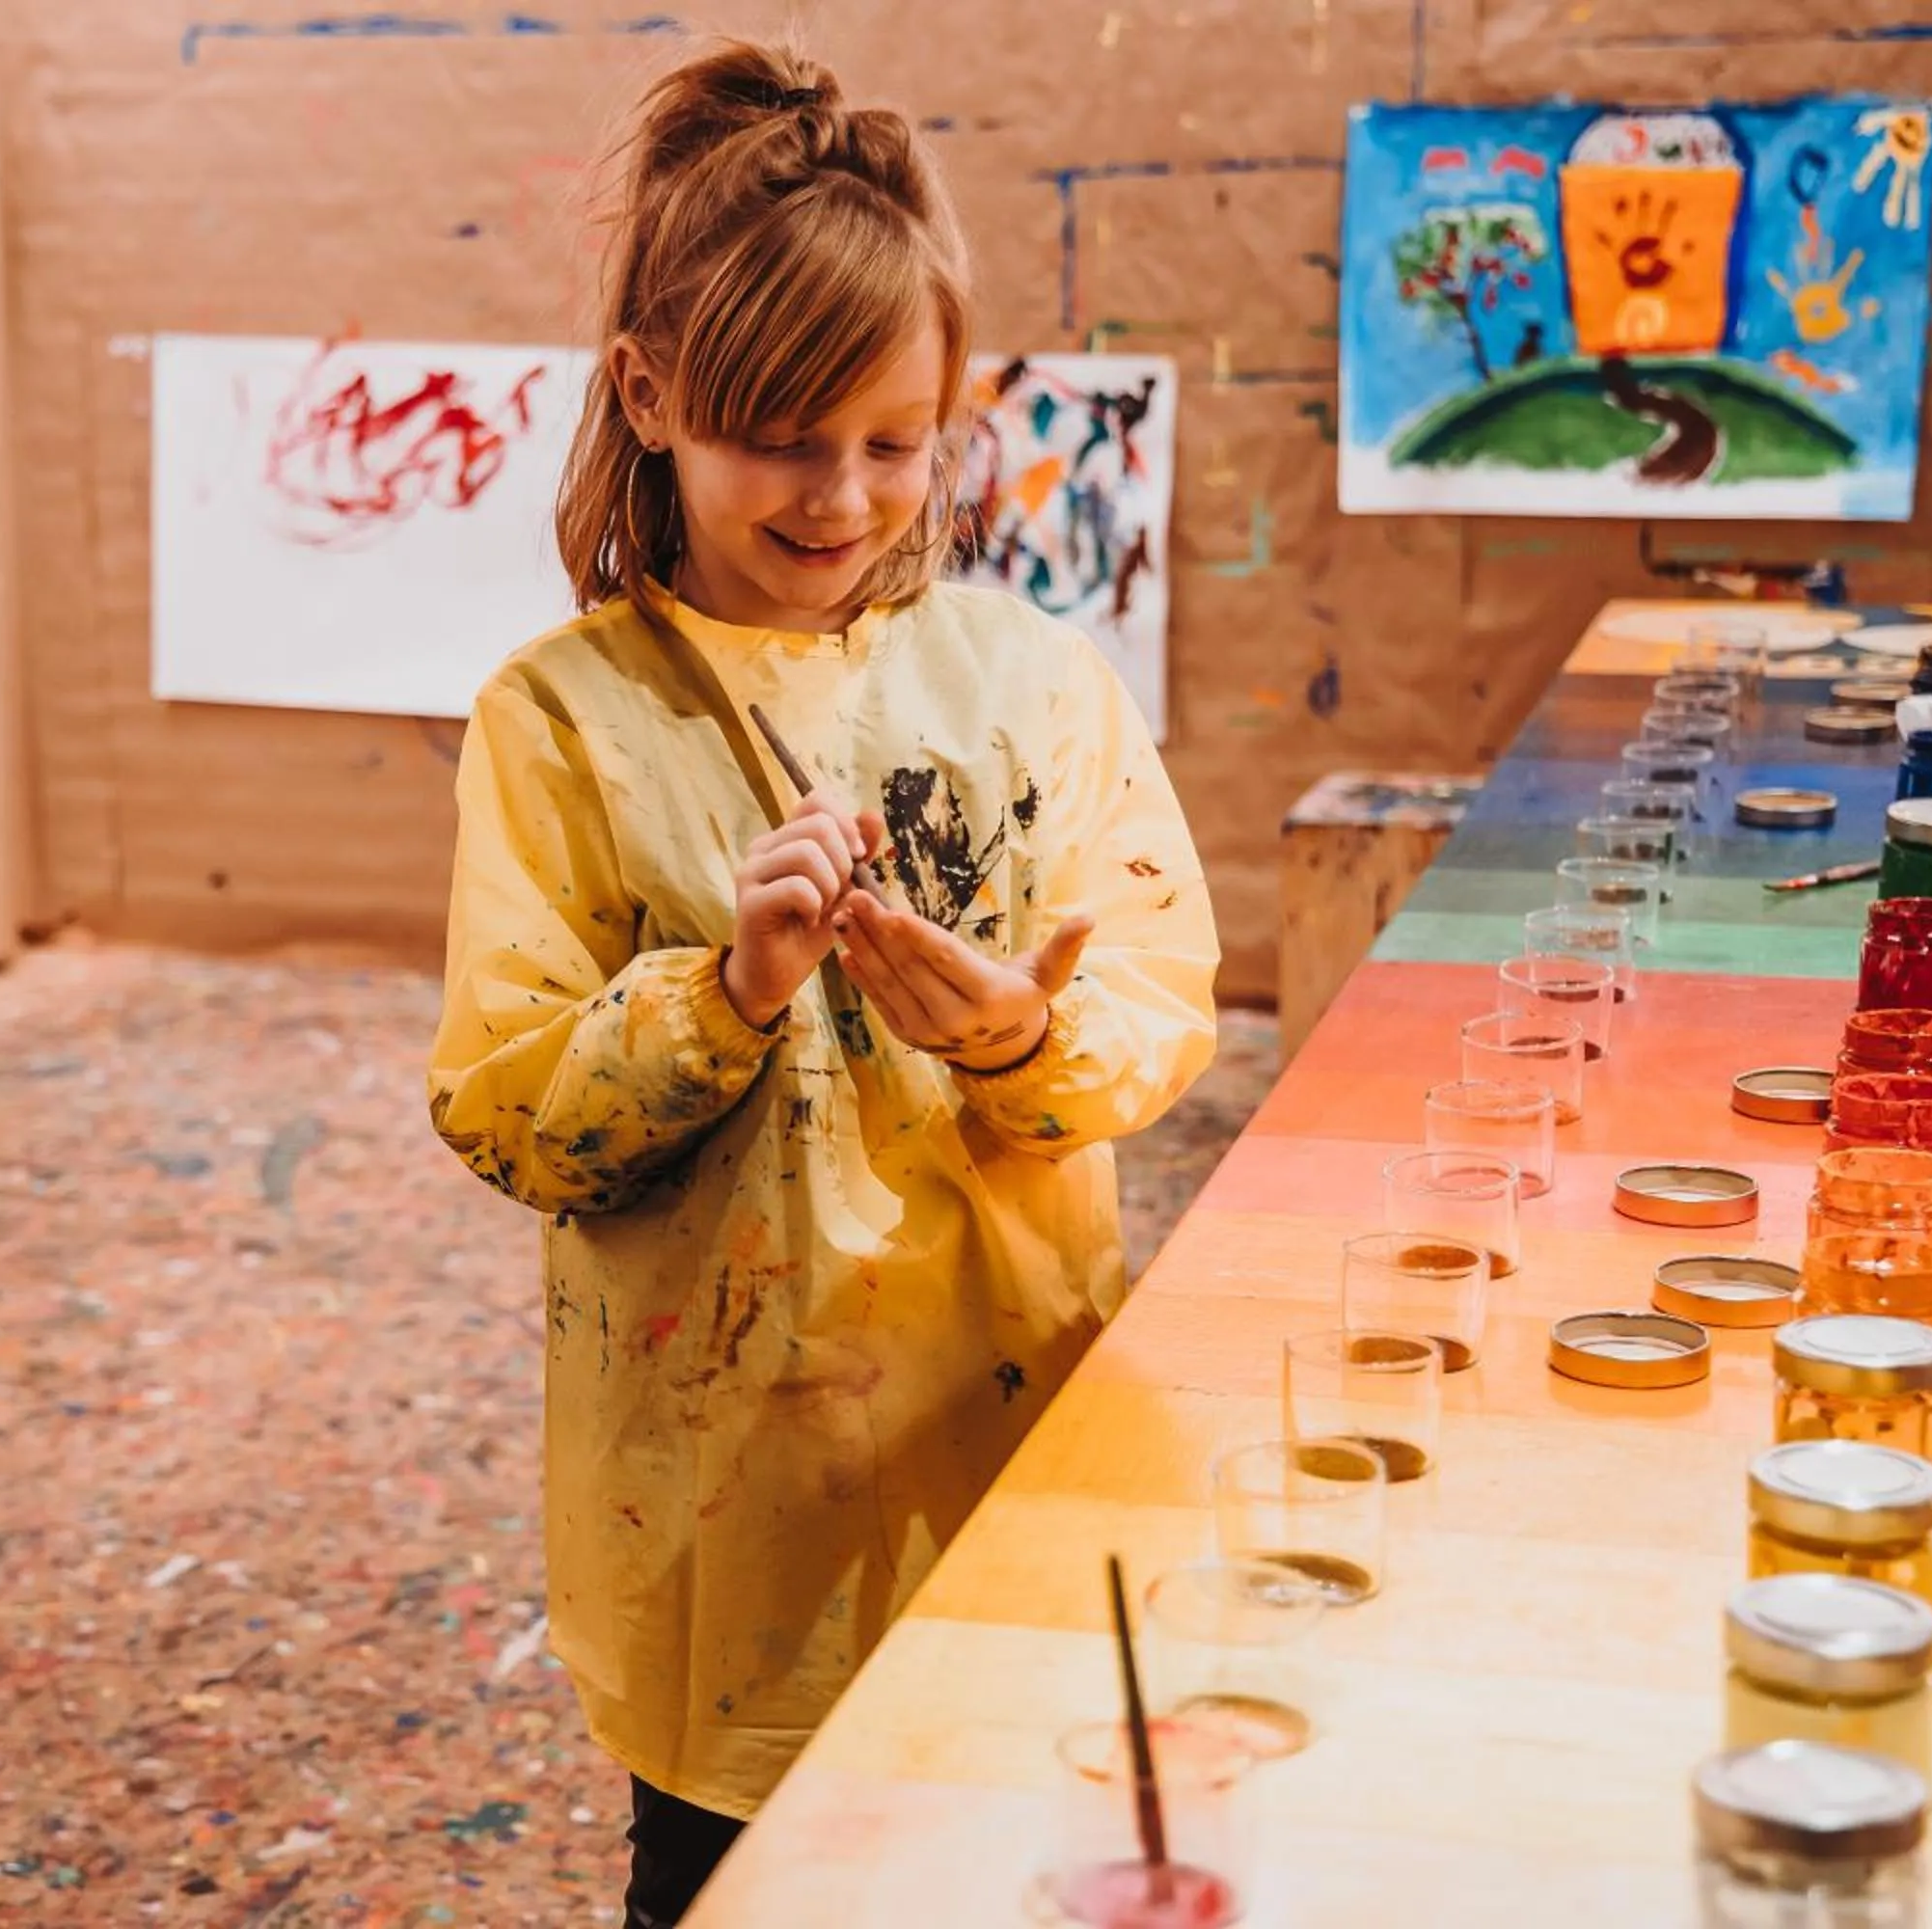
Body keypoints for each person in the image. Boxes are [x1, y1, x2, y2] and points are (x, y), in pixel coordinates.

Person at [425, 38, 1219, 1926]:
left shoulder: (1034, 685)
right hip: (721, 1494)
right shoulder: (561, 722)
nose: (843, 493)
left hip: (1005, 1436)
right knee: (740, 1880)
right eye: (780, 434)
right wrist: (724, 993)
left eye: (895, 437)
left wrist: (1020, 1034)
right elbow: (507, 1108)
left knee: (1013, 1859)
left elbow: (1158, 1007)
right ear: (649, 396)